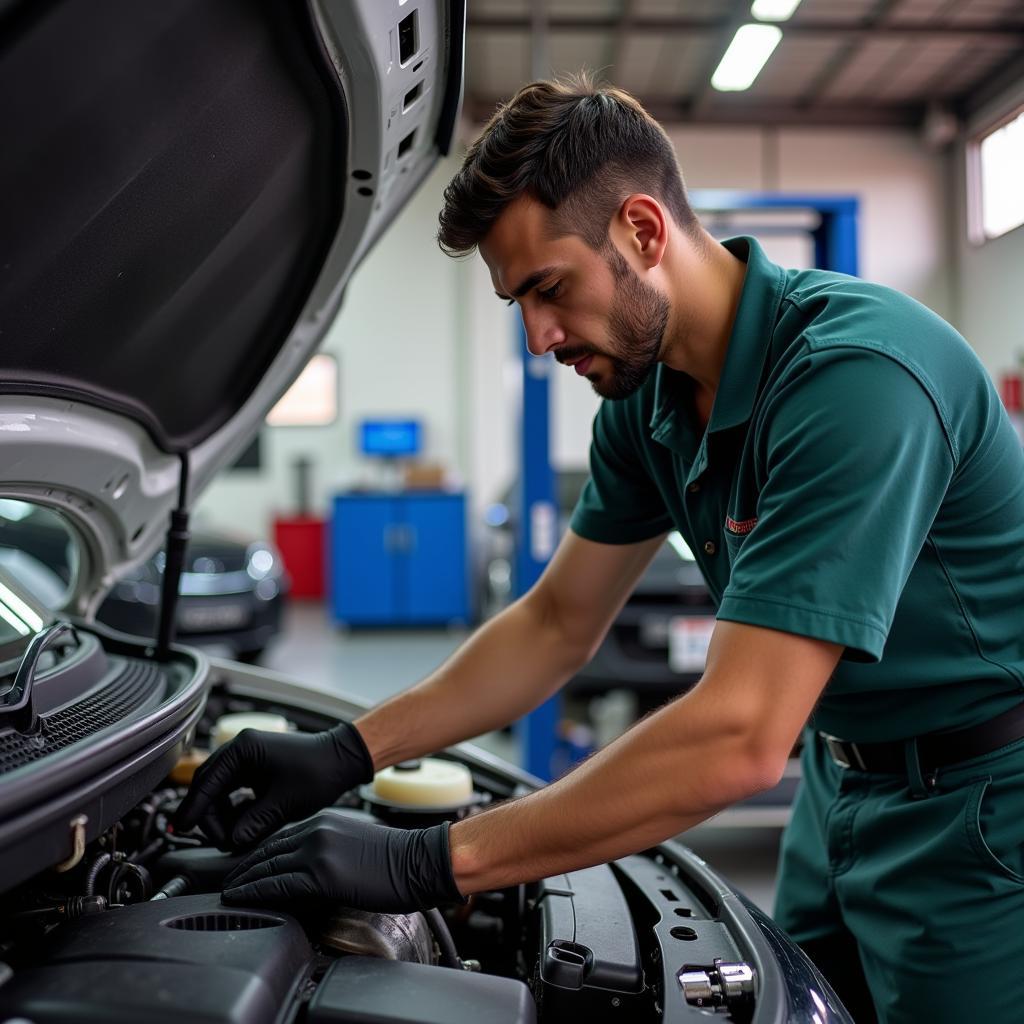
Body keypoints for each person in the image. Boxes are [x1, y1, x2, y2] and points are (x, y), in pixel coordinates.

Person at [175, 74, 1024, 1024]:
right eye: (517, 303)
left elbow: (741, 736)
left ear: (644, 232)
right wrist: (346, 749)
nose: (538, 336)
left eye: (549, 289)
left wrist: (433, 862)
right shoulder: (649, 396)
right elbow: (554, 622)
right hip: (843, 785)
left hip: (984, 809)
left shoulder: (855, 383)